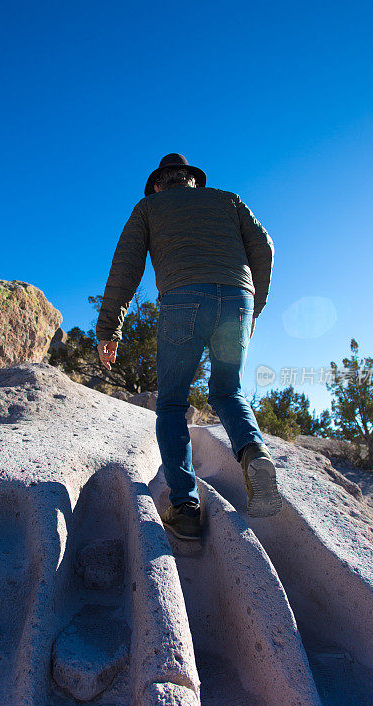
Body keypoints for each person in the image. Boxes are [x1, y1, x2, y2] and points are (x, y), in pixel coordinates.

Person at [96, 153, 282, 541]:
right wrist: (253, 309)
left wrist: (109, 329)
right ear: (193, 181)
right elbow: (264, 249)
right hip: (237, 298)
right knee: (229, 392)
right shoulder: (229, 200)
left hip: (183, 298)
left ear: (160, 184)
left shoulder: (149, 207)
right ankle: (254, 454)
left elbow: (125, 266)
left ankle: (185, 508)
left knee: (172, 403)